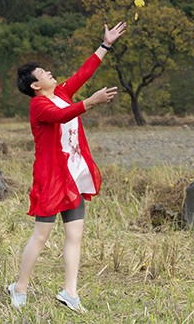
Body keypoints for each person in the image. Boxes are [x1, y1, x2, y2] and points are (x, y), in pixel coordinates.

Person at [8, 21, 126, 312]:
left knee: (75, 234)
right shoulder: (39, 106)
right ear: (35, 85)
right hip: (51, 179)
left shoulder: (60, 92)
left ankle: (69, 292)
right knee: (42, 235)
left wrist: (106, 44)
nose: (49, 73)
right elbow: (63, 116)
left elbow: (84, 72)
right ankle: (19, 286)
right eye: (43, 73)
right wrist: (92, 102)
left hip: (73, 175)